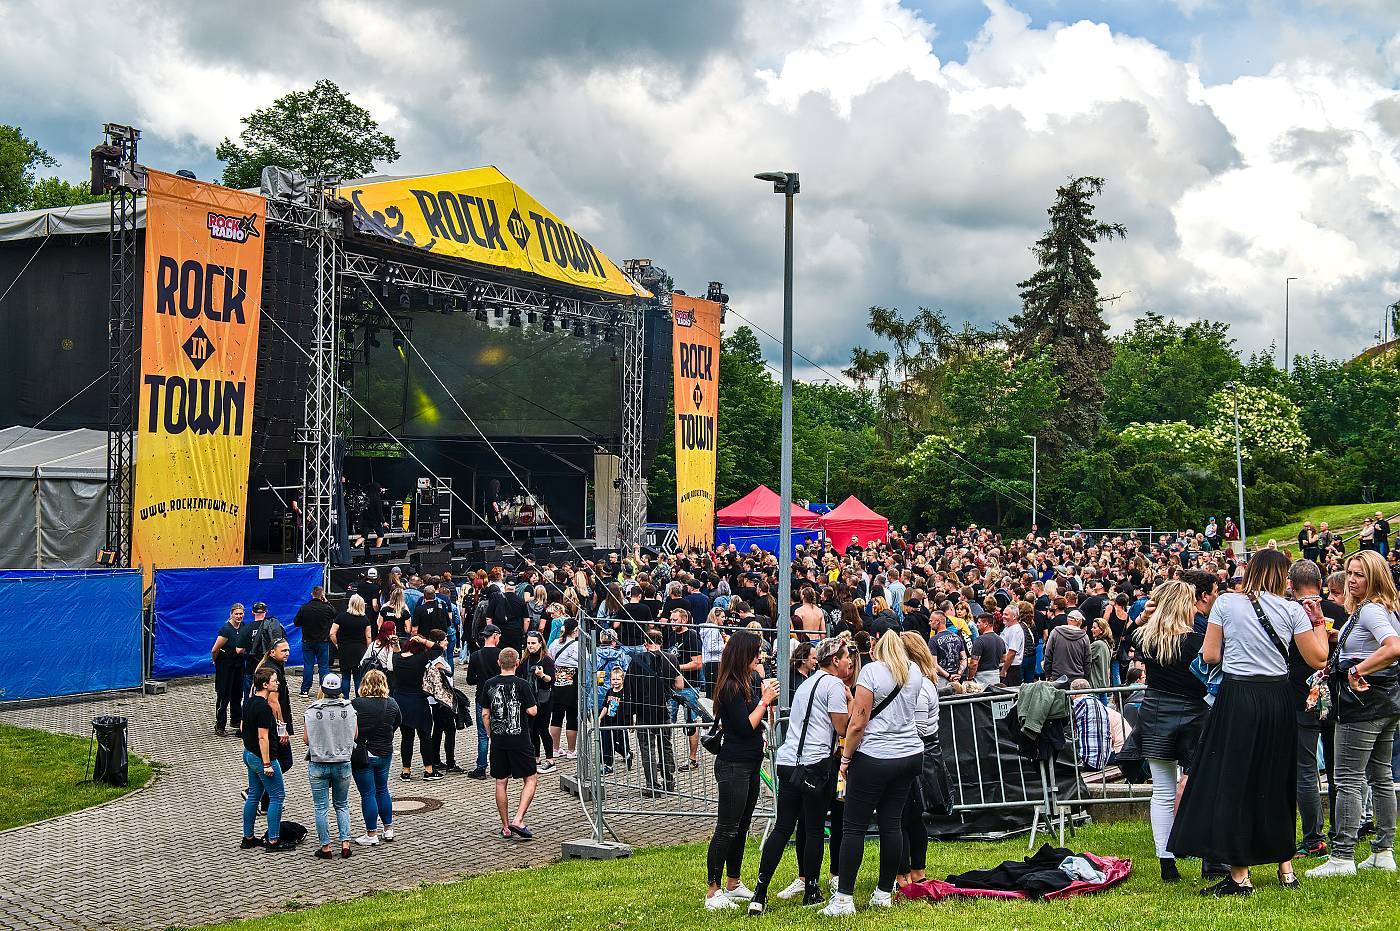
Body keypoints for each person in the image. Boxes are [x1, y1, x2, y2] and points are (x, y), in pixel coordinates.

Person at [1169, 548, 1328, 895]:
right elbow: (1318, 658)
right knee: (1277, 778)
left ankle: (1240, 875)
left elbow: (1210, 654)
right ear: (1282, 577)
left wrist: (1241, 648)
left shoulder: (1227, 603)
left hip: (1239, 695)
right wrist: (1317, 622)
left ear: (1251, 571)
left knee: (1236, 781)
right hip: (1278, 697)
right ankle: (1286, 869)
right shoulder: (1292, 610)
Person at [1307, 549, 1400, 877]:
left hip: (1362, 705)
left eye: (1360, 574)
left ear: (1375, 577)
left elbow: (1393, 647)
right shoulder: (1385, 608)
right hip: (1385, 703)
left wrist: (1357, 670)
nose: (1352, 580)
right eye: (1349, 573)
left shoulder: (1371, 610)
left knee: (1347, 778)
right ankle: (1383, 851)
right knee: (1381, 776)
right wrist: (1328, 628)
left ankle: (1342, 856)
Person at [822, 630, 925, 916]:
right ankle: (883, 893)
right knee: (892, 824)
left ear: (874, 641)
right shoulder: (913, 670)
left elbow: (858, 722)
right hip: (909, 753)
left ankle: (844, 899)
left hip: (875, 755)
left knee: (854, 827)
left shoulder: (871, 672)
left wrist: (845, 758)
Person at [748, 638, 852, 914]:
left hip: (788, 760)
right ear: (835, 660)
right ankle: (811, 890)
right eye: (845, 657)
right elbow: (843, 728)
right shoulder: (834, 686)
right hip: (814, 763)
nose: (850, 662)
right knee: (815, 829)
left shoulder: (806, 684)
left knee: (783, 827)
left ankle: (759, 892)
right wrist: (852, 701)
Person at [1127, 580, 1209, 882]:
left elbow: (1127, 637)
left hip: (1156, 712)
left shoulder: (1147, 639)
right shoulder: (1196, 641)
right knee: (1201, 787)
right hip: (1193, 714)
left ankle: (1166, 860)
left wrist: (1142, 617)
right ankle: (1207, 856)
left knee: (1162, 790)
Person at [704, 632, 778, 910]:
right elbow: (746, 726)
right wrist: (763, 701)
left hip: (751, 762)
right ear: (743, 654)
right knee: (726, 828)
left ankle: (733, 882)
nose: (760, 657)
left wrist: (765, 702)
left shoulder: (750, 681)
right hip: (733, 764)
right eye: (756, 653)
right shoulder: (731, 687)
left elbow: (759, 723)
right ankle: (713, 890)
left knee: (742, 826)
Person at [1290, 558, 1344, 859]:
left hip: (1301, 697)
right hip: (1335, 695)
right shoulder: (1339, 610)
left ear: (1291, 585)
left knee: (1306, 769)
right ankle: (1342, 831)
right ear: (1321, 583)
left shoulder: (1288, 612)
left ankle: (1314, 838)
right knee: (1339, 769)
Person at [896, 631, 941, 888]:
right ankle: (913, 872)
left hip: (915, 756)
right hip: (915, 754)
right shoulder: (920, 683)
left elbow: (920, 728)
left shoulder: (920, 686)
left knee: (904, 817)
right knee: (910, 817)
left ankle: (907, 874)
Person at [483, 647, 539, 840]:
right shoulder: (522, 684)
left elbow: (485, 714)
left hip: (499, 740)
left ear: (499, 663)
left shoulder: (489, 684)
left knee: (501, 782)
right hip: (520, 739)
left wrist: (490, 733)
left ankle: (506, 827)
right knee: (530, 778)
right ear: (517, 663)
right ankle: (518, 818)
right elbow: (532, 711)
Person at [303, 672, 357, 859]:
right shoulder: (349, 709)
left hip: (319, 763)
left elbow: (306, 739)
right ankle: (345, 844)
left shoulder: (312, 710)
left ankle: (325, 847)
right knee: (342, 804)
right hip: (342, 762)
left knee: (321, 807)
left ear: (323, 689)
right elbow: (355, 735)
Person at [239, 666, 292, 851]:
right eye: (274, 681)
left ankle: (248, 837)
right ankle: (273, 840)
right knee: (277, 796)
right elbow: (263, 737)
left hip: (249, 753)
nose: (277, 683)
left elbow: (243, 726)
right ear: (264, 684)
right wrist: (267, 763)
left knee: (254, 795)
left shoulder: (249, 702)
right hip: (262, 758)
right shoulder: (264, 708)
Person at [627, 628, 684, 794]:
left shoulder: (637, 660)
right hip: (663, 707)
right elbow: (680, 685)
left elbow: (629, 688)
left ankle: (652, 785)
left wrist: (629, 714)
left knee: (647, 747)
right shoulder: (671, 658)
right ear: (661, 642)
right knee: (665, 744)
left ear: (645, 643)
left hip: (643, 709)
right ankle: (669, 782)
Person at [350, 668, 401, 845]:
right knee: (383, 789)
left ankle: (371, 834)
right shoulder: (392, 703)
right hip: (385, 751)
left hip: (363, 753)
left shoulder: (356, 704)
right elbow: (397, 723)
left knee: (368, 793)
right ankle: (388, 829)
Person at [466, 624, 504, 778]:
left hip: (482, 697)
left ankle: (481, 768)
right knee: (501, 732)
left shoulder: (476, 655)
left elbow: (469, 680)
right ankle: (501, 766)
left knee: (482, 734)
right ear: (495, 636)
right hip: (500, 698)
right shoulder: (502, 654)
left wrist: (481, 679)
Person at [212, 603, 248, 737]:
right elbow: (215, 649)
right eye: (236, 614)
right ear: (231, 614)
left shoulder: (243, 626)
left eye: (241, 614)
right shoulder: (226, 629)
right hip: (225, 666)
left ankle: (236, 720)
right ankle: (220, 725)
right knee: (224, 695)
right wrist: (216, 661)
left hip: (239, 665)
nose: (239, 616)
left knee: (237, 694)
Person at [522, 632, 556, 773]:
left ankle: (550, 760)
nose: (530, 646)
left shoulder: (546, 660)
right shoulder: (526, 659)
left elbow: (552, 679)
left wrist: (542, 675)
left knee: (543, 728)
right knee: (532, 729)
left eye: (533, 643)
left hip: (544, 699)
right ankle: (536, 757)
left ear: (540, 643)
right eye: (528, 643)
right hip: (530, 699)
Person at [293, 586, 337, 696]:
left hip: (308, 641)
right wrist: (327, 602)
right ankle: (325, 690)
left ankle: (305, 690)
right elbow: (335, 614)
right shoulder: (326, 608)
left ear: (312, 594)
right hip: (323, 641)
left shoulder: (304, 608)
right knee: (324, 666)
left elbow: (296, 623)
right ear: (322, 595)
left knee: (308, 666)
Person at [547, 618, 580, 760]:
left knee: (556, 716)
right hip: (573, 683)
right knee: (572, 716)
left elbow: (550, 658)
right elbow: (585, 662)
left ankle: (554, 748)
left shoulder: (555, 643)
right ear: (575, 630)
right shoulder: (578, 645)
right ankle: (571, 750)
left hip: (557, 682)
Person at [330, 595, 373, 698]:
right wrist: (369, 650)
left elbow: (332, 633)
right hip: (360, 650)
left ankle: (345, 698)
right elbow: (368, 637)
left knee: (345, 676)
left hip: (345, 649)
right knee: (358, 677)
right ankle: (359, 698)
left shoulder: (341, 617)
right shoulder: (365, 619)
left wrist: (337, 644)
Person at [1044, 609, 1092, 681]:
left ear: (1067, 620)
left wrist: (1048, 674)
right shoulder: (1084, 637)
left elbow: (1048, 654)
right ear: (1080, 621)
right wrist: (1085, 677)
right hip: (1077, 678)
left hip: (1057, 677)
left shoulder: (1055, 633)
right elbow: (1087, 660)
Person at [968, 614, 1005, 687]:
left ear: (986, 624)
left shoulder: (979, 640)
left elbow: (974, 664)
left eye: (979, 622)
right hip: (996, 678)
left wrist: (969, 678)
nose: (977, 624)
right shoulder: (1000, 640)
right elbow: (1004, 658)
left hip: (981, 679)